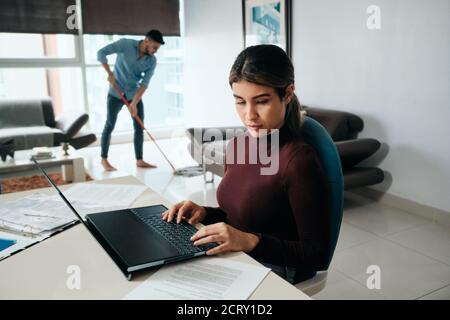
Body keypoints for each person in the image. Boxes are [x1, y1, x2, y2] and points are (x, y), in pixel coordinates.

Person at [162, 44, 331, 284]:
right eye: (240, 101)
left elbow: (318, 255)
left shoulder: (298, 161)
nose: (249, 115)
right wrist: (205, 213)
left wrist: (250, 241)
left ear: (288, 93)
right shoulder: (239, 145)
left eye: (261, 101)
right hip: (242, 255)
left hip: (278, 268)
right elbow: (241, 216)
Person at [97, 29, 165, 171]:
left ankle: (139, 160)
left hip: (133, 95)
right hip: (115, 94)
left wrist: (134, 103)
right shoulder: (125, 44)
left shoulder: (152, 61)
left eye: (157, 48)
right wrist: (109, 73)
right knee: (110, 125)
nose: (155, 51)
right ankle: (104, 159)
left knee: (139, 127)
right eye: (155, 47)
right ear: (147, 40)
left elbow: (144, 83)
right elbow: (101, 53)